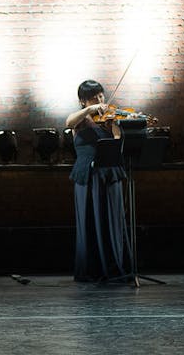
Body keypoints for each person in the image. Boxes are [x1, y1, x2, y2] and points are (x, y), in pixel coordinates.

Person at [65, 80, 128, 283]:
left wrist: (114, 126)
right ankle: (91, 268)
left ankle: (114, 265)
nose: (100, 100)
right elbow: (68, 123)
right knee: (89, 219)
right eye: (94, 98)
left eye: (101, 96)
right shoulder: (80, 120)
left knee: (112, 219)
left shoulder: (109, 119)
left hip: (109, 173)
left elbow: (118, 142)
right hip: (87, 174)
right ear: (83, 101)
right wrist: (90, 110)